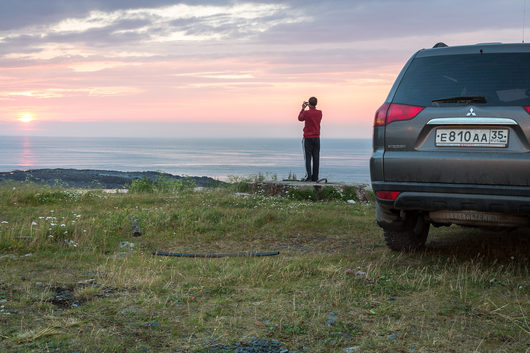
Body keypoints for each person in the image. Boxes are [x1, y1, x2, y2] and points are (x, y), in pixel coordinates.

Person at [297, 96, 322, 182]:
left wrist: (303, 109)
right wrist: (310, 107)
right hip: (317, 137)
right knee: (316, 157)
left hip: (308, 137)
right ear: (316, 103)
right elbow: (314, 115)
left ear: (309, 103)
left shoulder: (307, 113)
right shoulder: (320, 113)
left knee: (307, 158)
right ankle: (315, 177)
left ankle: (309, 177)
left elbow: (300, 118)